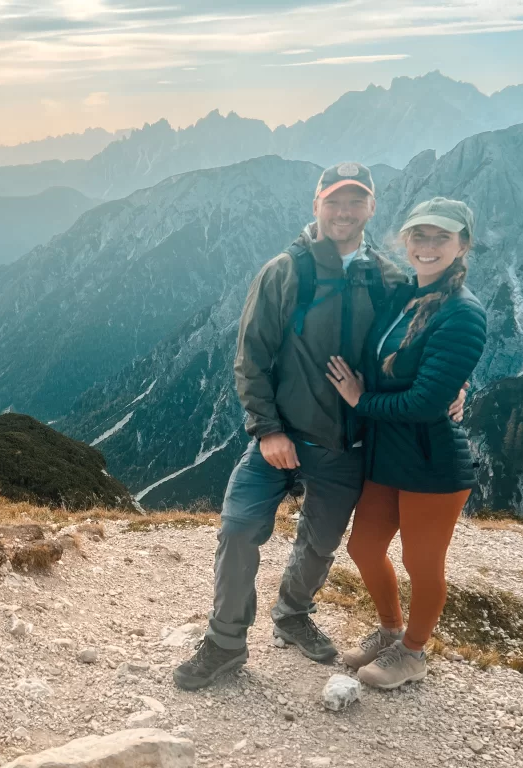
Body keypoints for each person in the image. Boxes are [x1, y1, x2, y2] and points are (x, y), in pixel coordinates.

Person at [172, 164, 466, 691]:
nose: (343, 212)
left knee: (320, 543)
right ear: (316, 206)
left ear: (371, 208)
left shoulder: (389, 280)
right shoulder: (285, 271)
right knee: (238, 529)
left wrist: (455, 386)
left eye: (355, 201)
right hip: (280, 437)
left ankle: (292, 615)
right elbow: (251, 358)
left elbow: (425, 338)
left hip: (346, 447)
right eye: (334, 201)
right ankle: (224, 642)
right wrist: (267, 431)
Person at [326, 198, 486, 690]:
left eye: (442, 237)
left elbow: (423, 403)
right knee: (363, 547)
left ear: (462, 245)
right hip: (387, 455)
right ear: (406, 240)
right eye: (420, 235)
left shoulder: (463, 314)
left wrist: (360, 400)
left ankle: (413, 653)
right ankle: (391, 630)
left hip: (431, 462)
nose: (428, 246)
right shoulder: (404, 296)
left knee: (422, 563)